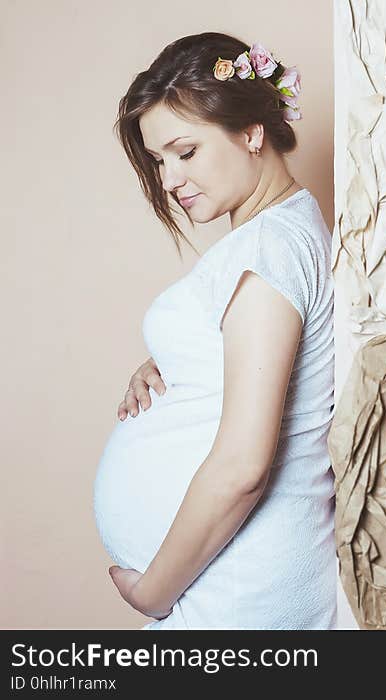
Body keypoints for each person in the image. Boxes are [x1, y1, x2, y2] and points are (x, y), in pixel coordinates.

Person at [92, 32, 337, 629]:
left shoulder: (271, 248)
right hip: (228, 583)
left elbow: (242, 466)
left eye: (186, 151)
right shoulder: (272, 238)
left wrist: (154, 591)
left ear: (252, 131)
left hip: (233, 589)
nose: (171, 179)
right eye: (159, 160)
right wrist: (170, 364)